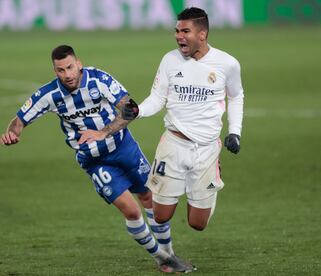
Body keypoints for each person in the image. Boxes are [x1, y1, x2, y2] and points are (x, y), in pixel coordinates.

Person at [0, 45, 195, 273]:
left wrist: (104, 132)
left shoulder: (99, 80)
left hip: (124, 147)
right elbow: (20, 119)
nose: (67, 74)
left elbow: (129, 109)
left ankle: (169, 252)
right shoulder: (49, 95)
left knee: (149, 197)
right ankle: (162, 258)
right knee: (131, 211)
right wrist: (14, 133)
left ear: (79, 63)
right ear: (55, 72)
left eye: (70, 67)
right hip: (94, 161)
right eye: (61, 70)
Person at [81, 5, 243, 239]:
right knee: (160, 216)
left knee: (198, 224)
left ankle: (211, 173)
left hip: (207, 148)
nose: (179, 36)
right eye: (177, 31)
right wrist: (138, 111)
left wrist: (235, 131)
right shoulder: (170, 61)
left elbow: (236, 96)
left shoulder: (227, 64)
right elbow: (157, 98)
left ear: (202, 34)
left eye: (185, 31)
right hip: (174, 145)